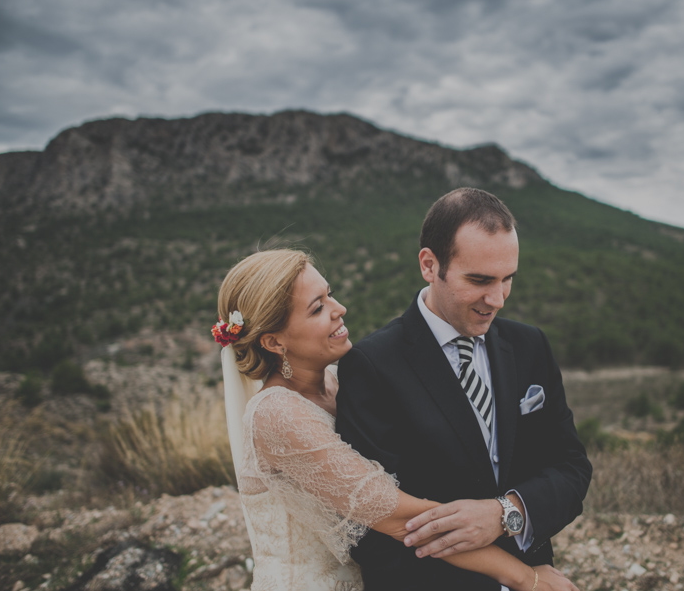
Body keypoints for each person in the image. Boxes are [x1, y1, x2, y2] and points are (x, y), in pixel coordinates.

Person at [216, 249, 580, 591]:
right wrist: (525, 577)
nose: (339, 309)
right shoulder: (277, 414)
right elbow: (398, 517)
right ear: (275, 342)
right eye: (317, 309)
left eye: (330, 295)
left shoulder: (341, 381)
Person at [335, 188, 592, 590]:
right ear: (429, 264)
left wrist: (509, 513)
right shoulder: (371, 366)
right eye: (480, 280)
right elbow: (372, 529)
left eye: (508, 279)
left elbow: (571, 467)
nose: (498, 299)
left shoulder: (530, 345)